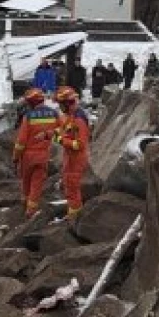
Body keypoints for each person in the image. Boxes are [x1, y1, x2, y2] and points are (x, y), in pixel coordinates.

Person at [12, 88, 60, 217]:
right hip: (44, 155)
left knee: (26, 181)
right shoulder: (54, 114)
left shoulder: (29, 116)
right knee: (37, 183)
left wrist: (15, 157)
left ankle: (25, 205)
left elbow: (21, 142)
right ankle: (31, 210)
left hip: (28, 155)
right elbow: (61, 131)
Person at [55, 86, 90, 220]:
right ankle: (73, 215)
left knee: (73, 189)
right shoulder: (71, 116)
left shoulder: (79, 119)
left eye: (61, 104)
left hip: (76, 159)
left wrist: (61, 140)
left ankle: (75, 218)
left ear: (67, 103)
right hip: (70, 158)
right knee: (69, 188)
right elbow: (65, 130)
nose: (60, 107)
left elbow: (79, 144)